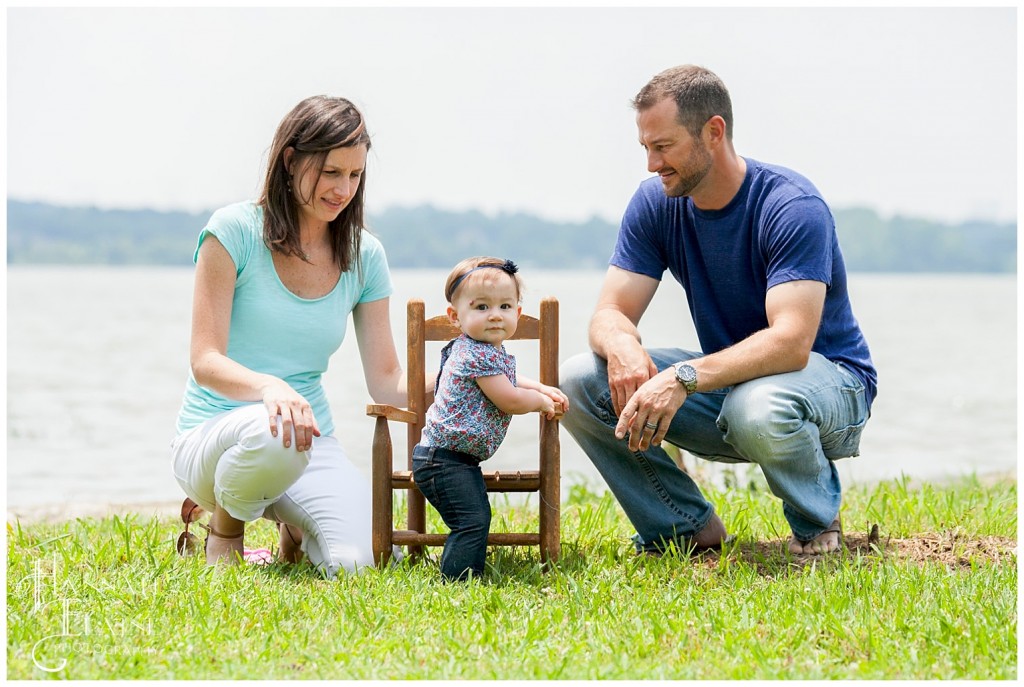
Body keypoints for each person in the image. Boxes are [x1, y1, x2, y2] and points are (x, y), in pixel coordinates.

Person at [560, 65, 876, 557]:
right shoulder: (656, 203)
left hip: (831, 386)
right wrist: (622, 345)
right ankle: (683, 527)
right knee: (581, 379)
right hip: (731, 387)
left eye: (663, 146)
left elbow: (791, 343)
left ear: (713, 131)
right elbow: (610, 312)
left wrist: (681, 376)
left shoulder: (791, 205)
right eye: (645, 147)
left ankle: (816, 525)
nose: (650, 164)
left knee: (758, 407)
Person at [171, 95, 408, 576]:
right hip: (215, 437)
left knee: (361, 565)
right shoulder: (232, 231)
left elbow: (387, 382)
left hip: (307, 439)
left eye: (355, 175)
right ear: (291, 160)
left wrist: (467, 377)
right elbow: (205, 358)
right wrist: (269, 388)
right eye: (331, 172)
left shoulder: (366, 256)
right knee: (272, 435)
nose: (344, 189)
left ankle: (292, 527)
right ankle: (225, 529)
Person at [412, 257, 569, 581]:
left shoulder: (483, 351)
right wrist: (541, 402)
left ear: (517, 313)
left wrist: (539, 386)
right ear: (456, 317)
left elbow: (510, 378)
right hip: (444, 460)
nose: (495, 314)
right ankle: (457, 582)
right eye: (481, 307)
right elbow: (509, 398)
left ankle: (462, 575)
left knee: (473, 517)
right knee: (471, 520)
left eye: (505, 306)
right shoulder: (476, 353)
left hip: (449, 459)